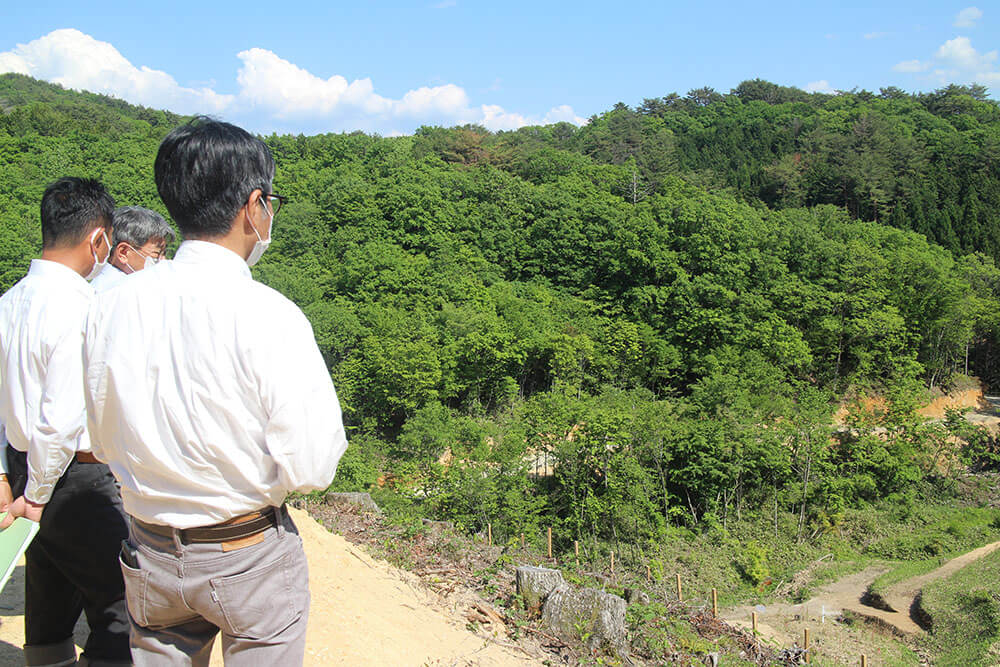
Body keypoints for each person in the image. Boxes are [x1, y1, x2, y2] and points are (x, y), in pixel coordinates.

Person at [84, 117, 348, 666]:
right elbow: (312, 466)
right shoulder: (270, 314)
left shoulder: (109, 306)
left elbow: (102, 439)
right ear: (255, 205)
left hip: (150, 550)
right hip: (247, 550)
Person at [0, 177, 131, 666]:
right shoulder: (81, 307)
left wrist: (6, 478)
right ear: (99, 239)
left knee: (49, 598)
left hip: (20, 464)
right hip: (69, 476)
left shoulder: (9, 301)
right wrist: (36, 495)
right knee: (120, 604)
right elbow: (60, 419)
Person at [90, 206, 175, 292]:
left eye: (164, 253)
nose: (163, 261)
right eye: (157, 254)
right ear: (123, 253)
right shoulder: (118, 293)